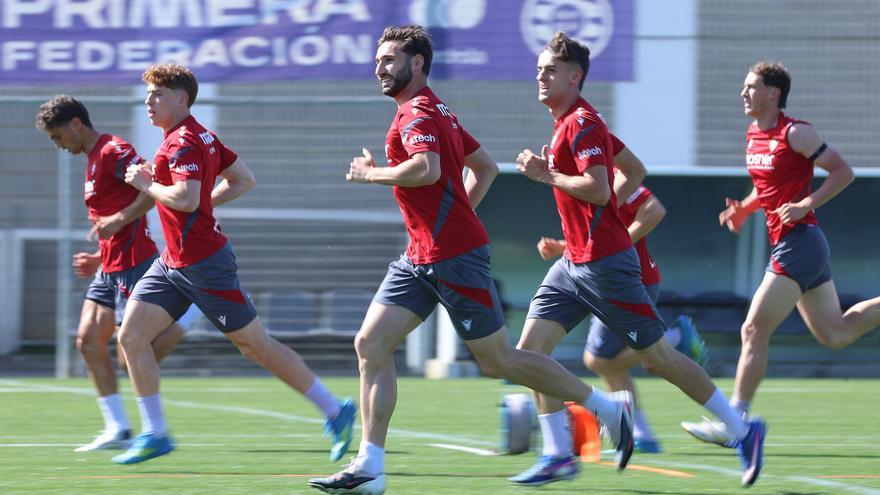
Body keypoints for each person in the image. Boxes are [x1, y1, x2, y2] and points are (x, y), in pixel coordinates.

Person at [309, 25, 638, 495]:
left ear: (417, 63)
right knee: (370, 343)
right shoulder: (434, 108)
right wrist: (456, 211)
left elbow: (427, 169)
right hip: (419, 257)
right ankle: (370, 467)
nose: (379, 68)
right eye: (378, 60)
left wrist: (371, 174)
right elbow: (482, 167)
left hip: (454, 257)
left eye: (388, 60)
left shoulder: (419, 112)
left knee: (499, 360)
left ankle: (608, 409)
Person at [511, 32, 765, 488]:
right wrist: (592, 217)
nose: (541, 76)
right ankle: (557, 454)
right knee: (528, 354)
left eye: (550, 69)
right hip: (573, 265)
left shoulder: (582, 123)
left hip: (607, 265)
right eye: (539, 69)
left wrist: (546, 174)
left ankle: (744, 431)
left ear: (575, 76)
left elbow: (600, 186)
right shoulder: (571, 122)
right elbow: (636, 170)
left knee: (661, 360)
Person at [112, 63, 355, 464]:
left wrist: (147, 185)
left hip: (205, 264)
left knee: (254, 346)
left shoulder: (186, 141)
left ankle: (335, 409)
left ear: (181, 99)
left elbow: (188, 199)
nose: (148, 101)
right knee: (132, 336)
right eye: (148, 94)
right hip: (173, 264)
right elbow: (243, 180)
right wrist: (191, 196)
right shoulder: (195, 137)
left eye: (157, 94)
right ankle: (155, 432)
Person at [682, 61, 880, 445]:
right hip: (795, 244)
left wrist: (807, 203)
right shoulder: (753, 133)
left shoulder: (798, 132)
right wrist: (745, 208)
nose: (743, 93)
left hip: (800, 243)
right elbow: (768, 188)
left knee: (753, 328)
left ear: (774, 93)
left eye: (751, 86)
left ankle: (735, 422)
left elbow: (842, 172)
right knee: (836, 335)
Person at [535, 133, 709, 457]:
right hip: (607, 276)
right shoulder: (580, 182)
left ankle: (674, 340)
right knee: (607, 364)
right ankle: (642, 434)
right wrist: (562, 247)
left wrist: (618, 245)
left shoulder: (610, 177)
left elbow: (654, 210)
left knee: (601, 359)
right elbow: (592, 236)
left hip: (630, 278)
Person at [35, 96, 184, 452]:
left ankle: (186, 316)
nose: (58, 146)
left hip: (136, 262)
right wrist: (98, 258)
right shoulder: (91, 160)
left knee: (127, 351)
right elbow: (109, 220)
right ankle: (117, 428)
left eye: (58, 137)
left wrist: (120, 219)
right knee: (87, 341)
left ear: (76, 124)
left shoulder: (113, 150)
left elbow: (153, 187)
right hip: (110, 266)